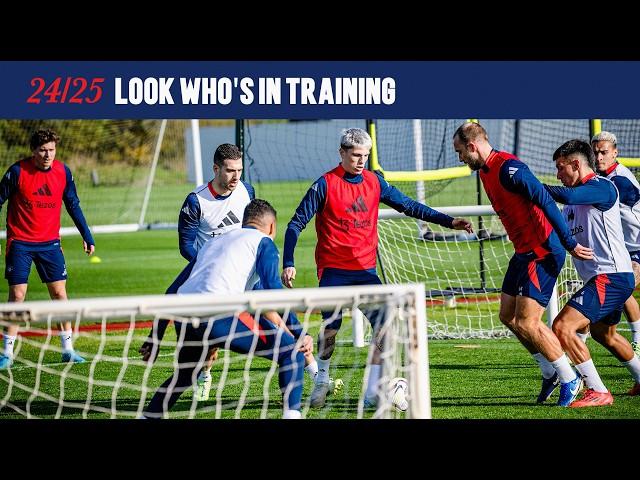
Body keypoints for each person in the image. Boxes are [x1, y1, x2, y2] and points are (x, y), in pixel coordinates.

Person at [281, 127, 473, 409]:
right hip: (333, 271)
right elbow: (295, 224)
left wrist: (447, 221)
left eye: (366, 156)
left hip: (366, 272)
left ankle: (373, 390)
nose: (361, 161)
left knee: (385, 325)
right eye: (356, 155)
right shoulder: (324, 184)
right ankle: (322, 378)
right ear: (342, 153)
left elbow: (408, 205)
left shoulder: (374, 182)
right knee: (331, 330)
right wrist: (288, 262)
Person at [138, 144, 320, 400]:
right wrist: (213, 262)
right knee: (211, 346)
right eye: (230, 170)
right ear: (216, 169)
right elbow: (185, 245)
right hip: (211, 278)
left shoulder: (246, 191)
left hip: (242, 272)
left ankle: (316, 374)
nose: (236, 177)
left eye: (240, 170)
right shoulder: (196, 201)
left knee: (280, 315)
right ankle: (207, 374)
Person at [453, 122, 593, 406]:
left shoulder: (509, 168)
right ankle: (549, 371)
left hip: (544, 251)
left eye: (460, 152)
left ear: (472, 146)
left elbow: (546, 201)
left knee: (528, 321)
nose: (460, 158)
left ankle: (570, 378)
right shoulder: (485, 171)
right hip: (523, 252)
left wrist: (569, 242)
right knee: (507, 315)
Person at [143, 199, 311, 419]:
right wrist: (300, 334)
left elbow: (172, 291)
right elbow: (273, 291)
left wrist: (154, 338)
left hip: (183, 315)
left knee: (186, 374)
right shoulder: (263, 242)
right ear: (272, 227)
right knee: (291, 352)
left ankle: (147, 417)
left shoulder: (212, 243)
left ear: (244, 222)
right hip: (217, 316)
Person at [544, 139, 640, 405]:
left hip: (611, 277)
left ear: (576, 164)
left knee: (563, 326)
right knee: (604, 334)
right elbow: (558, 229)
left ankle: (597, 390)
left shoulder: (602, 187)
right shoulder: (573, 205)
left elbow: (567, 195)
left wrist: (531, 187)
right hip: (606, 279)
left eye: (561, 168)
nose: (558, 175)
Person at [0, 129, 95, 369]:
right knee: (18, 296)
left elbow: (73, 204)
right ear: (33, 150)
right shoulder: (17, 172)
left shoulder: (63, 172)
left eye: (51, 150)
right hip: (20, 243)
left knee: (59, 294)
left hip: (50, 243)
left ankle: (68, 349)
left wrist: (86, 234)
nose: (47, 155)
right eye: (42, 150)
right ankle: (7, 353)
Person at [591, 131, 640, 356]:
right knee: (624, 290)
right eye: (595, 152)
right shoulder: (604, 178)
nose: (599, 157)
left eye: (604, 152)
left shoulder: (618, 180)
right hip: (626, 247)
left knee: (623, 289)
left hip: (637, 245)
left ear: (615, 153)